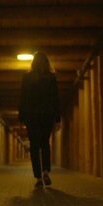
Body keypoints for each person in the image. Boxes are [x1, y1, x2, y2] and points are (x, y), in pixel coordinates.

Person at [18, 52, 61, 188]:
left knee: (34, 146)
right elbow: (55, 98)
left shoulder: (27, 77)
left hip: (31, 116)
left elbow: (23, 97)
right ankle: (46, 172)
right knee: (45, 144)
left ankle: (38, 178)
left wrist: (22, 116)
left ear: (33, 63)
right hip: (46, 115)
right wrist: (57, 118)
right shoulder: (51, 78)